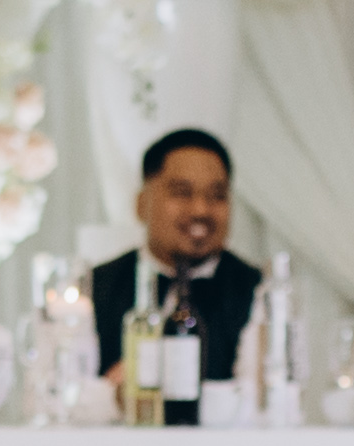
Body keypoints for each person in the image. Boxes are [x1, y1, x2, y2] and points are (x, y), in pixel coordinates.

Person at [82, 127, 264, 418]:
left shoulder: (259, 290)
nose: (200, 210)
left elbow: (259, 401)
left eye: (216, 196)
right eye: (182, 193)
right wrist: (114, 396)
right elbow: (56, 396)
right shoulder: (92, 286)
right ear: (141, 204)